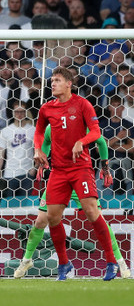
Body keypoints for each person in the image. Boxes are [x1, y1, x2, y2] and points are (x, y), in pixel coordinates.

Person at [33, 67, 118, 281]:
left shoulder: (82, 104)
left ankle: (111, 261)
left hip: (81, 168)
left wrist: (82, 141)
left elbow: (97, 133)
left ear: (69, 83)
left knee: (91, 212)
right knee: (52, 217)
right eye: (52, 80)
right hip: (58, 170)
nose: (52, 84)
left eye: (57, 80)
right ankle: (64, 264)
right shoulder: (46, 108)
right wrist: (38, 149)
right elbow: (39, 132)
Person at [14, 125, 131, 279]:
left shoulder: (83, 126)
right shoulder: (52, 126)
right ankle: (26, 260)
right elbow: (46, 143)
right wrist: (43, 159)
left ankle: (120, 262)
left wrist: (105, 167)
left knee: (98, 218)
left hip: (80, 178)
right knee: (41, 221)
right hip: (59, 178)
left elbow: (101, 142)